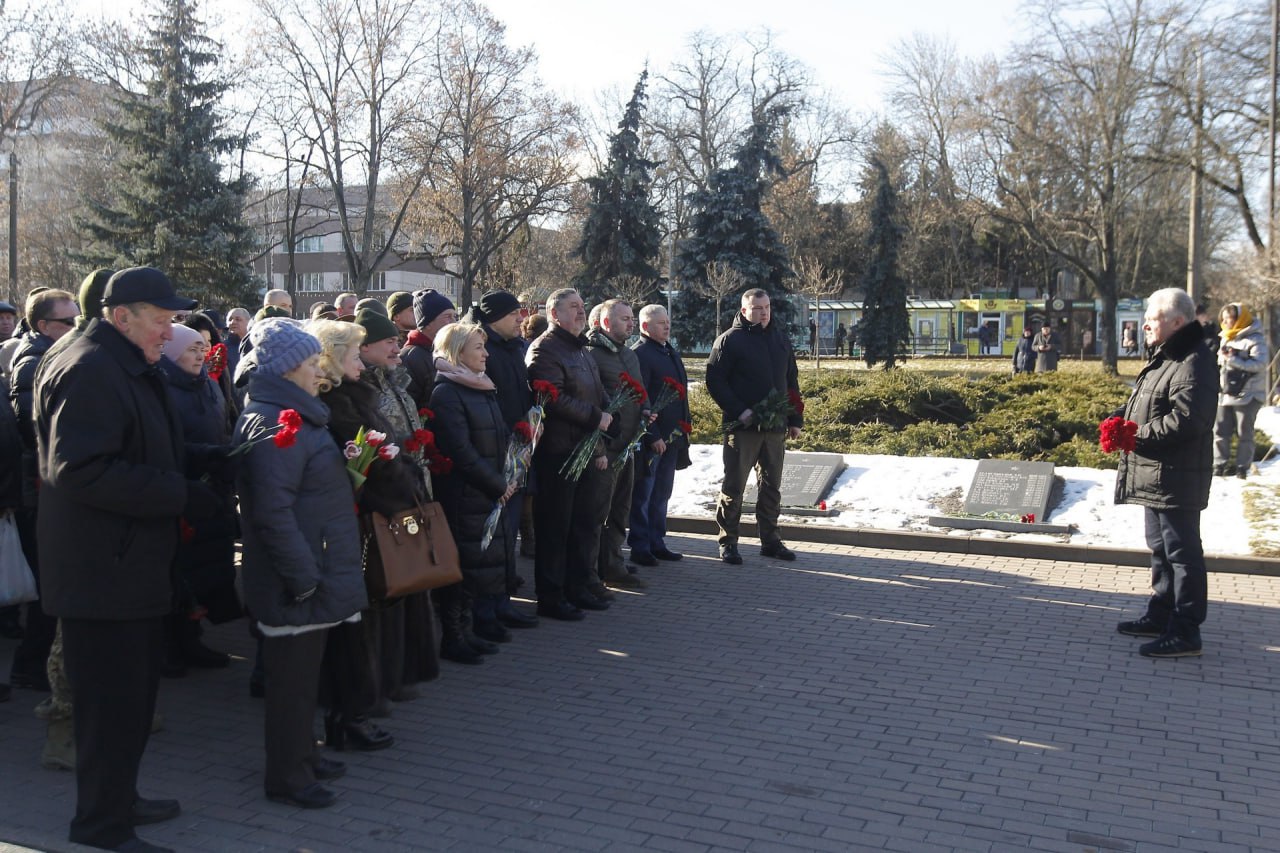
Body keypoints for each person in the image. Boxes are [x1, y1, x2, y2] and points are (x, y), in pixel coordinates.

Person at [35, 266, 217, 851]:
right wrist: (181, 494)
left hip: (129, 565)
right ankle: (100, 825)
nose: (171, 332)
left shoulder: (121, 360)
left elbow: (145, 440)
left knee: (132, 702)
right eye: (162, 320)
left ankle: (122, 800)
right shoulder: (89, 367)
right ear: (122, 317)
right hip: (101, 571)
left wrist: (213, 457)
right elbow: (80, 470)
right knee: (108, 709)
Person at [235, 318, 366, 809]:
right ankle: (287, 775)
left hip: (314, 568)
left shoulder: (295, 413)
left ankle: (303, 757)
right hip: (298, 579)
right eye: (312, 364)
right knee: (290, 686)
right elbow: (271, 511)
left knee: (305, 680)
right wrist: (305, 579)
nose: (319, 373)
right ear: (288, 369)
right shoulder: (275, 421)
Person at [312, 317, 403, 746]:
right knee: (353, 625)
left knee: (365, 620)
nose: (361, 365)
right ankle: (350, 714)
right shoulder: (333, 405)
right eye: (353, 356)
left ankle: (362, 703)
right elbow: (354, 463)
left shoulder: (352, 396)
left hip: (365, 519)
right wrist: (382, 469)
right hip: (355, 523)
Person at [1114, 288, 1217, 658]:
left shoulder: (1193, 360)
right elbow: (1150, 404)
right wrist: (1119, 419)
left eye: (1152, 317)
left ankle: (1187, 631)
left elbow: (1189, 420)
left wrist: (1134, 435)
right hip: (1157, 474)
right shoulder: (1166, 356)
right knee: (1160, 550)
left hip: (1177, 476)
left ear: (1177, 322)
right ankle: (1161, 614)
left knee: (1182, 555)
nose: (1144, 323)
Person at [430, 322, 519, 656]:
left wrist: (511, 470)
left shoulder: (480, 384)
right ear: (457, 352)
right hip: (464, 494)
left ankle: (468, 630)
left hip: (486, 491)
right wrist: (497, 484)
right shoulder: (447, 392)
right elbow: (461, 451)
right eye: (478, 348)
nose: (486, 353)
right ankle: (453, 636)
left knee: (478, 565)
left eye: (484, 346)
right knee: (462, 567)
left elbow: (495, 437)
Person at [158, 324, 241, 676]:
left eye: (201, 348)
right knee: (178, 573)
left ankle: (191, 638)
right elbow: (165, 445)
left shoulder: (207, 383)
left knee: (203, 570)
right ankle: (169, 647)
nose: (200, 355)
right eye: (191, 349)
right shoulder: (162, 387)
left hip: (212, 488)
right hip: (183, 491)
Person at [6, 288, 79, 689]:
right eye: (67, 321)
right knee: (45, 589)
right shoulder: (34, 362)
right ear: (43, 325)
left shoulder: (51, 355)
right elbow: (33, 431)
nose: (75, 327)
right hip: (38, 488)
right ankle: (31, 666)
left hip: (43, 484)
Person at [525, 288, 613, 620]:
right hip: (560, 453)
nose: (580, 311)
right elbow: (553, 398)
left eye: (582, 305)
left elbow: (598, 392)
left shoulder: (581, 350)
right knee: (555, 528)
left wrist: (608, 414)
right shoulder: (545, 350)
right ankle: (551, 595)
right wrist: (595, 417)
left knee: (583, 524)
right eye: (573, 307)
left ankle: (577, 587)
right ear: (553, 314)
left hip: (586, 449)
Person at [705, 289, 802, 565]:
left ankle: (771, 541)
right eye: (757, 308)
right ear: (744, 310)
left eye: (767, 307)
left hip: (775, 428)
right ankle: (728, 542)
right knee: (734, 486)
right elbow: (715, 381)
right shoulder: (729, 341)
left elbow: (791, 381)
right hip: (743, 428)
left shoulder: (780, 339)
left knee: (772, 487)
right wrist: (740, 411)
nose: (764, 312)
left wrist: (795, 419)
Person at [472, 290, 538, 629]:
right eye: (514, 313)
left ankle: (503, 599)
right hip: (494, 454)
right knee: (492, 535)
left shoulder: (516, 348)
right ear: (494, 316)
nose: (521, 318)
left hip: (518, 451)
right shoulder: (483, 350)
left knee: (508, 532)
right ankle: (486, 606)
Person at [582, 299, 648, 593]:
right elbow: (592, 402)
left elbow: (639, 391)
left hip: (628, 446)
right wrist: (599, 448)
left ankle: (613, 564)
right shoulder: (592, 355)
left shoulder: (629, 355)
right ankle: (591, 572)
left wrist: (646, 410)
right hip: (606, 449)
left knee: (621, 510)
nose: (630, 323)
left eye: (632, 318)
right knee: (597, 512)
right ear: (605, 323)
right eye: (624, 319)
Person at [629, 304, 691, 566]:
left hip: (672, 436)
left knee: (662, 493)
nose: (667, 326)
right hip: (652, 439)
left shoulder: (669, 351)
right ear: (645, 327)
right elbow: (640, 399)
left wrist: (684, 427)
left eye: (667, 321)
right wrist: (651, 435)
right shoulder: (640, 354)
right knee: (644, 494)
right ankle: (641, 545)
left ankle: (657, 541)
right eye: (660, 323)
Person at [1213, 302, 1268, 479]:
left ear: (1240, 318)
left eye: (1231, 318)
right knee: (1220, 431)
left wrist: (1233, 359)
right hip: (1226, 393)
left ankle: (1242, 467)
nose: (1227, 322)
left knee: (1245, 433)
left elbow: (1260, 364)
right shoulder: (1226, 337)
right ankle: (1219, 464)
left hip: (1248, 394)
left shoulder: (1255, 338)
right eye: (1225, 319)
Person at [400, 289, 458, 408]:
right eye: (447, 316)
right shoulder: (411, 358)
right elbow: (408, 405)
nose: (454, 322)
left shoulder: (449, 351)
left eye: (454, 316)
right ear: (427, 323)